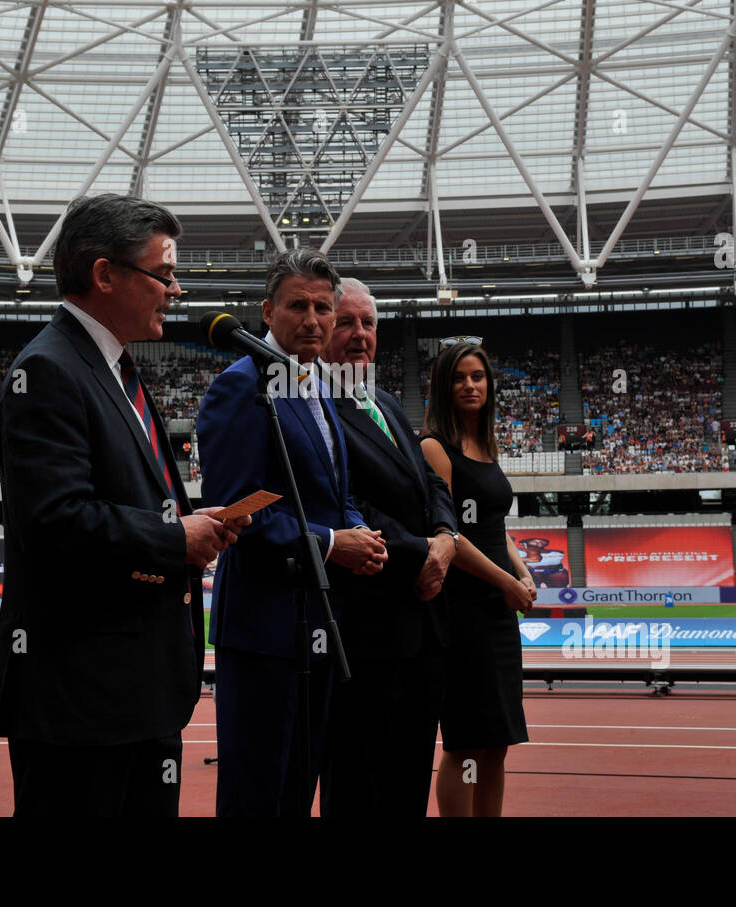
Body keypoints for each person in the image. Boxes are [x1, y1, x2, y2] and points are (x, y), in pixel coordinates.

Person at [0, 193, 249, 818]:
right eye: (164, 274)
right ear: (104, 274)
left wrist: (191, 527)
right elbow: (53, 522)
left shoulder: (114, 370)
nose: (176, 290)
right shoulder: (48, 372)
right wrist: (174, 538)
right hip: (83, 704)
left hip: (138, 693)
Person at [197, 249, 388, 817]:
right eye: (297, 305)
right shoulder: (241, 386)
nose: (312, 319)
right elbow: (234, 512)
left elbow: (335, 494)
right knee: (257, 790)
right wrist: (333, 544)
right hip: (263, 627)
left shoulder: (318, 385)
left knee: (299, 786)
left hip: (320, 620)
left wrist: (358, 532)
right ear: (267, 311)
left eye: (322, 307)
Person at [319, 278, 457, 817]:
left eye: (368, 323)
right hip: (367, 631)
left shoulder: (385, 400)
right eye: (345, 321)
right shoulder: (312, 402)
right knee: (357, 783)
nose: (359, 335)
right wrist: (418, 554)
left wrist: (445, 541)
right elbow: (340, 497)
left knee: (406, 782)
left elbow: (434, 484)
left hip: (423, 630)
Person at [420, 339, 536, 818]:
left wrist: (522, 570)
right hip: (464, 609)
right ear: (444, 387)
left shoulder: (486, 445)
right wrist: (505, 584)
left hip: (498, 612)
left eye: (478, 377)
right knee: (465, 743)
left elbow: (494, 527)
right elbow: (451, 535)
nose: (470, 385)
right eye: (459, 378)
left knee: (498, 743)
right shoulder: (434, 447)